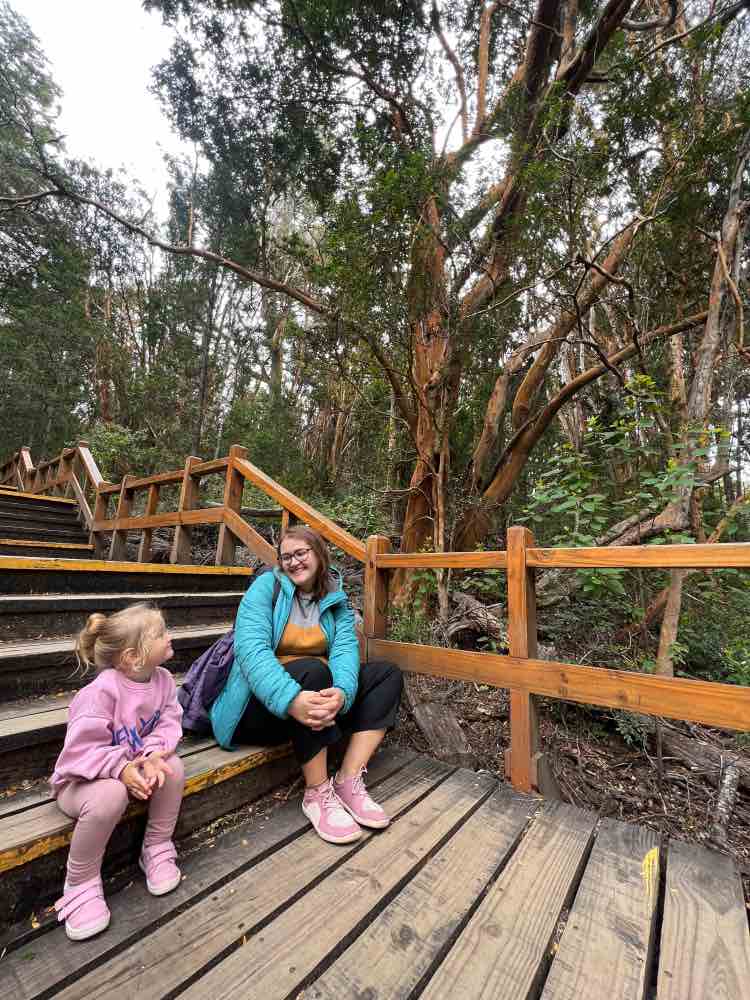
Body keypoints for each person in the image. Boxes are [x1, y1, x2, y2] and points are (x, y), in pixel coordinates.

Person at [210, 526, 403, 844]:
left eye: (301, 553)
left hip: (315, 701)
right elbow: (251, 653)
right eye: (287, 556)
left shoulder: (334, 597)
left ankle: (348, 779)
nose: (294, 562)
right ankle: (316, 792)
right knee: (315, 672)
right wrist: (291, 699)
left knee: (387, 675)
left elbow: (344, 652)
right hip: (258, 707)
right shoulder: (264, 589)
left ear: (319, 554)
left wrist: (343, 692)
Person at [50, 603, 185, 941]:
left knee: (173, 767)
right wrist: (121, 768)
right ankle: (80, 881)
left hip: (132, 765)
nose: (170, 635)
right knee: (112, 793)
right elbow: (79, 754)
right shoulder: (99, 693)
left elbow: (169, 722)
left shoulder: (164, 680)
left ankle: (155, 847)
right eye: (160, 633)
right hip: (81, 781)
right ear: (132, 657)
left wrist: (153, 755)